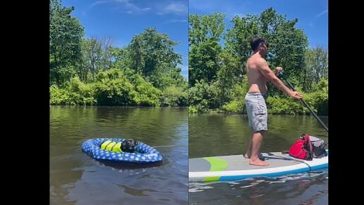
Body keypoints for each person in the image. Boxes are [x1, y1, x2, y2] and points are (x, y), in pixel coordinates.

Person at [244, 37, 303, 166]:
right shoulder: (260, 60)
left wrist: (274, 71)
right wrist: (290, 93)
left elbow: (264, 79)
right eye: (267, 46)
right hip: (256, 97)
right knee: (261, 129)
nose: (267, 48)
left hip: (252, 97)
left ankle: (249, 153)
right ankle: (254, 159)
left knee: (256, 128)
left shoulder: (250, 60)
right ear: (261, 46)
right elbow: (274, 80)